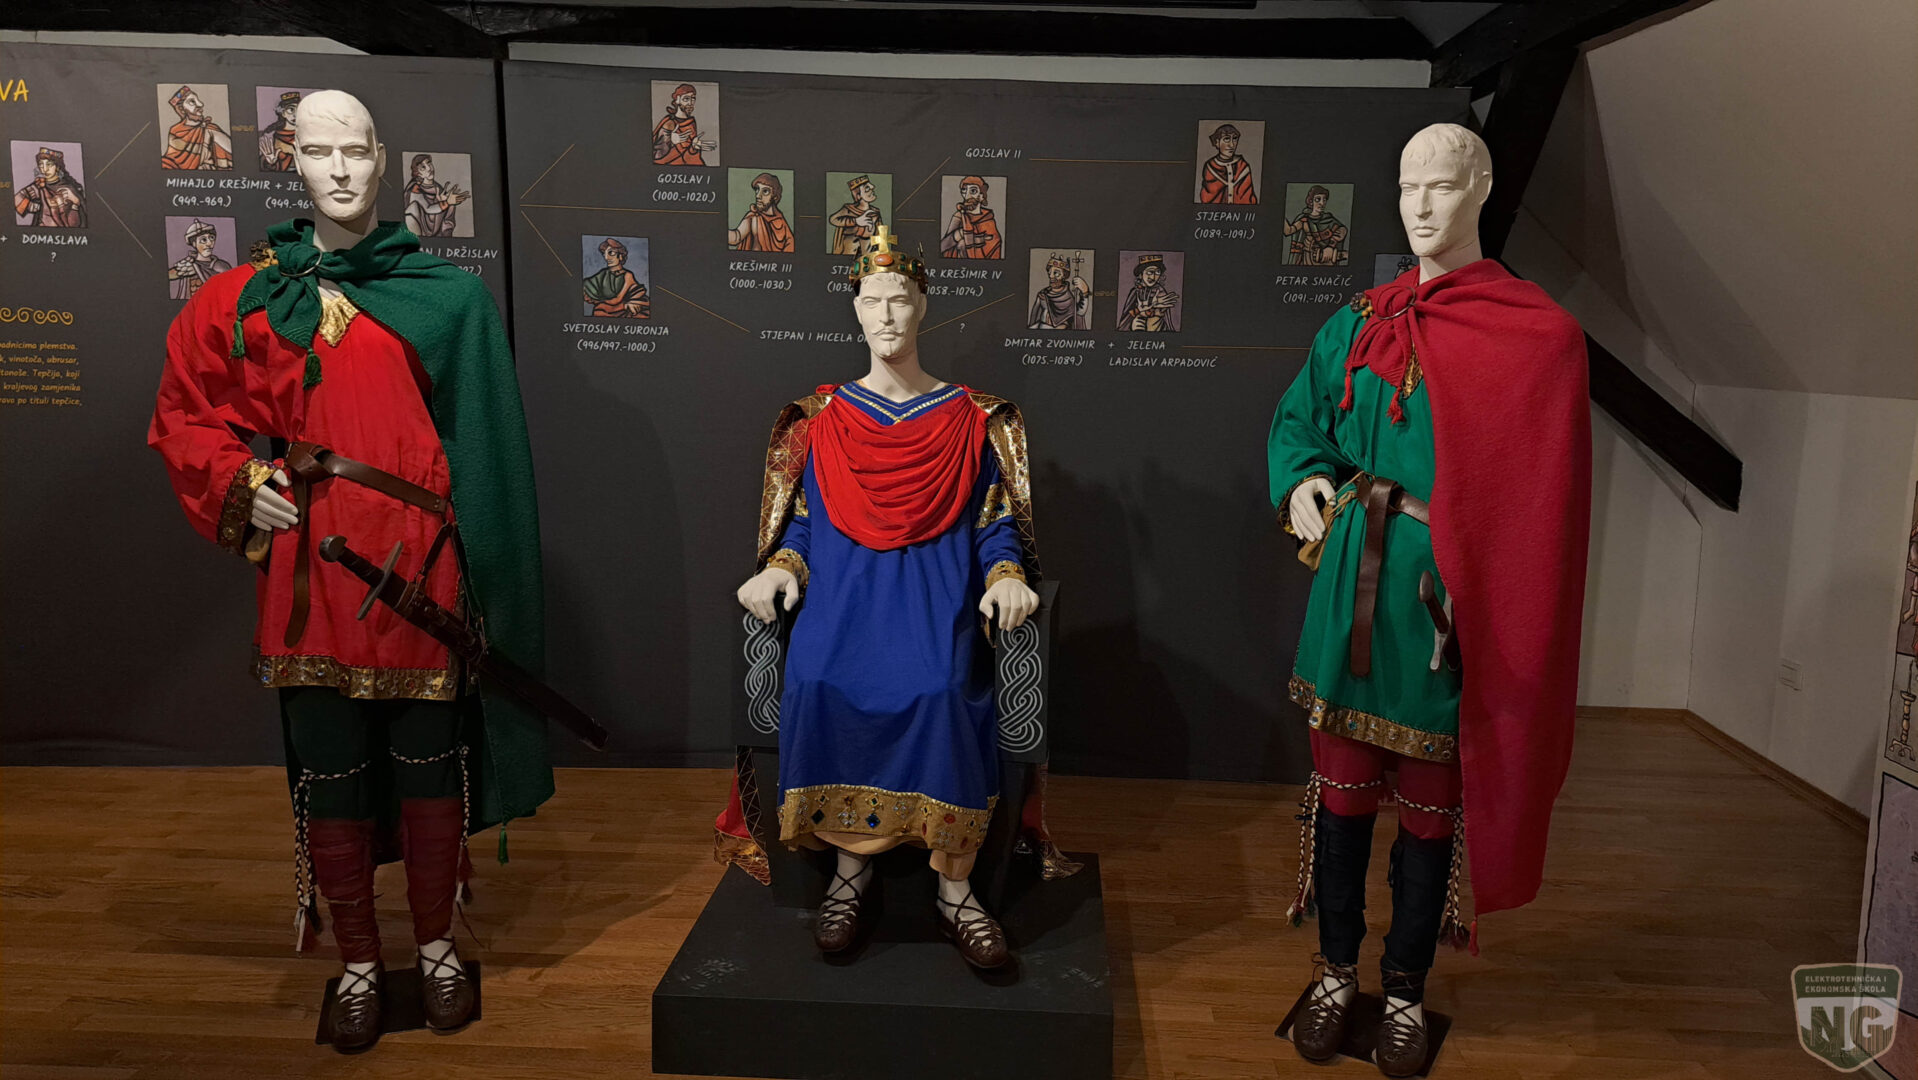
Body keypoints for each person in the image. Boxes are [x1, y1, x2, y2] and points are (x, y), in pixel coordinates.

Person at [148, 90, 551, 1054]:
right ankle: (361, 962)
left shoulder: (448, 297)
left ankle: (439, 948)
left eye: (356, 151)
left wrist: (488, 578)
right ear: (293, 161)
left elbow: (485, 450)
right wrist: (242, 479)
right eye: (319, 151)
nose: (338, 169)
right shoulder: (247, 295)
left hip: (421, 569)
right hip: (312, 569)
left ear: (383, 160)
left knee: (428, 769)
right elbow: (183, 409)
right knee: (330, 772)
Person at [1266, 123, 1590, 1076]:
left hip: (1443, 597)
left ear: (1480, 188)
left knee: (1427, 812)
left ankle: (1404, 991)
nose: (1418, 205)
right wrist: (1303, 479)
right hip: (1350, 582)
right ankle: (1335, 975)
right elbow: (1300, 419)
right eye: (1407, 186)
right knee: (1339, 798)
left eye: (1440, 186)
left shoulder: (1538, 337)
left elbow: (1542, 506)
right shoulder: (1360, 319)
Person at [720, 225, 1045, 970]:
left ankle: (955, 888)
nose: (888, 314)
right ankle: (850, 874)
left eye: (900, 298)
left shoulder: (973, 418)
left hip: (932, 600)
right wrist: (782, 566)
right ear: (856, 312)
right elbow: (804, 521)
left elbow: (994, 521)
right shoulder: (821, 419)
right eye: (873, 300)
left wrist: (1005, 574)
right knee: (817, 681)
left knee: (940, 690)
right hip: (845, 602)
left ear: (923, 306)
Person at [161, 85, 233, 171]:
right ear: (181, 109)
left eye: (197, 100)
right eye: (192, 102)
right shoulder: (175, 131)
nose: (200, 104)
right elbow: (170, 161)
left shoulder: (209, 129)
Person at [13, 146, 86, 228]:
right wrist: (32, 206)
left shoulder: (70, 188)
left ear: (58, 166)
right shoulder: (38, 186)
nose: (45, 169)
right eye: (41, 165)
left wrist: (76, 201)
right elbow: (16, 199)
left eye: (49, 164)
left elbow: (88, 215)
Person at [402, 154, 470, 239]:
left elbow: (446, 218)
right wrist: (447, 202)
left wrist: (447, 203)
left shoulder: (439, 189)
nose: (429, 168)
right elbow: (428, 209)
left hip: (436, 233)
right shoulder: (415, 188)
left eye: (429, 163)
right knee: (413, 207)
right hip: (417, 234)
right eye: (423, 167)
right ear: (418, 174)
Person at [582, 237, 650, 317]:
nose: (606, 257)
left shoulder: (627, 275)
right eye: (604, 254)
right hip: (609, 307)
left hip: (624, 308)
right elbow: (587, 285)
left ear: (620, 256)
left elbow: (617, 299)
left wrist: (602, 302)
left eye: (611, 253)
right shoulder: (604, 273)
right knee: (599, 311)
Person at [728, 172, 795, 253]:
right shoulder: (753, 216)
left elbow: (790, 247)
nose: (758, 196)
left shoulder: (781, 223)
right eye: (757, 189)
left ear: (775, 196)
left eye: (765, 191)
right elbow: (736, 237)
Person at [939, 175, 1002, 259]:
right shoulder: (959, 216)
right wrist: (961, 233)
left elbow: (994, 243)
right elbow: (943, 247)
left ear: (981, 196)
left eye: (973, 191)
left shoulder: (988, 219)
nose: (967, 196)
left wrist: (970, 238)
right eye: (964, 190)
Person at [168, 218, 232, 300]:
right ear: (194, 243)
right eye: (203, 240)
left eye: (212, 238)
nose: (209, 243)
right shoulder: (187, 266)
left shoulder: (223, 267)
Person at [652, 83, 716, 166]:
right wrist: (670, 141)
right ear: (678, 100)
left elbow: (687, 156)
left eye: (693, 98)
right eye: (686, 99)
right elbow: (657, 156)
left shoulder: (691, 123)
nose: (690, 103)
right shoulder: (669, 124)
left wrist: (693, 148)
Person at [1284, 185, 1349, 266]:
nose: (1322, 203)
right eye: (1318, 199)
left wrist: (1330, 246)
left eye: (1324, 200)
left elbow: (1343, 230)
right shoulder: (1304, 220)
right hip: (1307, 261)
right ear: (1311, 201)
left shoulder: (1329, 219)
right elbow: (1288, 231)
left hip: (1326, 260)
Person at [1118, 254, 1180, 332]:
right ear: (1141, 274)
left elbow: (1165, 319)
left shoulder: (1161, 292)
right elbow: (1126, 320)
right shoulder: (1135, 292)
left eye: (1157, 272)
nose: (1153, 277)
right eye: (1150, 272)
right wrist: (1132, 325)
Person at [1198, 123, 1256, 205]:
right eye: (1226, 139)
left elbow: (1248, 200)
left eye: (1234, 139)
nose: (1231, 145)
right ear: (1217, 142)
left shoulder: (1242, 166)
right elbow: (1206, 198)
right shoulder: (1210, 166)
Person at [1028, 253, 1090, 330]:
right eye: (1049, 273)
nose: (1051, 276)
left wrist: (1085, 292)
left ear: (1064, 276)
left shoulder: (1067, 297)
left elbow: (1079, 312)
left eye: (1056, 273)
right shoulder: (1043, 294)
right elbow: (1034, 315)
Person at [828, 175, 884, 257]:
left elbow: (879, 235)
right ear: (858, 196)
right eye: (867, 188)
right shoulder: (848, 209)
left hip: (868, 255)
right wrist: (856, 221)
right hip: (848, 253)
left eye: (870, 186)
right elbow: (832, 219)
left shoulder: (875, 212)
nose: (872, 187)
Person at [259, 90, 302, 171]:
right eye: (291, 110)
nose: (295, 115)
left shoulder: (307, 134)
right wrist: (270, 163)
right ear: (283, 113)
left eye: (299, 110)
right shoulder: (271, 136)